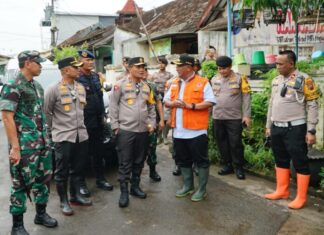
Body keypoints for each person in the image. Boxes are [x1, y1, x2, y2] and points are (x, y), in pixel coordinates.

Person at [0, 50, 58, 235]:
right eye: (38, 62)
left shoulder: (37, 86)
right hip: (24, 146)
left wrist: (47, 139)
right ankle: (17, 226)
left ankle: (40, 214)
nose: (41, 66)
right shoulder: (12, 85)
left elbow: (40, 115)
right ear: (27, 63)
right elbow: (7, 117)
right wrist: (15, 148)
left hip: (42, 143)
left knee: (44, 179)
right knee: (21, 183)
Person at [264, 50, 319, 209]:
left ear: (291, 64)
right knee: (280, 159)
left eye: (280, 64)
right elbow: (271, 104)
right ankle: (282, 191)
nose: (277, 66)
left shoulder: (304, 80)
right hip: (277, 127)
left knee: (300, 162)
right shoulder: (276, 80)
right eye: (276, 63)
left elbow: (313, 104)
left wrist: (311, 130)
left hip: (295, 128)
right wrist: (269, 126)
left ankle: (301, 198)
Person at [164, 54, 216, 202]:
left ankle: (202, 189)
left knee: (201, 161)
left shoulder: (203, 82)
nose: (177, 68)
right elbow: (166, 100)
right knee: (183, 160)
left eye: (179, 66)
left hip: (196, 131)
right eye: (176, 66)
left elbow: (210, 102)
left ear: (188, 67)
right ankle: (188, 186)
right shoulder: (175, 82)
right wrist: (173, 103)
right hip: (179, 131)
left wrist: (190, 106)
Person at [45, 57, 92, 216]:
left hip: (81, 135)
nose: (79, 69)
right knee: (62, 171)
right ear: (66, 70)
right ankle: (63, 201)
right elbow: (47, 112)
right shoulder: (53, 89)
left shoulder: (80, 87)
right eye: (75, 67)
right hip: (63, 137)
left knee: (78, 169)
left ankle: (75, 196)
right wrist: (55, 130)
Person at [109, 57, 156, 208]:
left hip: (143, 130)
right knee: (125, 162)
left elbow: (151, 107)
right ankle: (124, 192)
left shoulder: (146, 86)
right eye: (138, 66)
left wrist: (152, 123)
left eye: (143, 66)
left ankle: (135, 187)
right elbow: (113, 106)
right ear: (129, 68)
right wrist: (116, 126)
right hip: (126, 130)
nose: (142, 69)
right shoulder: (119, 85)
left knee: (139, 160)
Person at [77, 50, 113, 195]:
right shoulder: (76, 78)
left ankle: (100, 179)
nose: (91, 62)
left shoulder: (95, 76)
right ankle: (81, 184)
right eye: (87, 60)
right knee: (82, 155)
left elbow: (101, 94)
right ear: (80, 62)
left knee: (99, 153)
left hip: (98, 121)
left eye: (92, 60)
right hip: (83, 123)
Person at [211, 56, 251, 180]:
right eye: (220, 69)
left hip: (234, 117)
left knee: (235, 143)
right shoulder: (214, 79)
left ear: (230, 67)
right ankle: (227, 165)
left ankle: (238, 167)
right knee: (221, 142)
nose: (222, 71)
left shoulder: (240, 78)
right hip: (218, 116)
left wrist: (246, 115)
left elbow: (246, 97)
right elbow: (210, 98)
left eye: (224, 68)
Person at [143, 65, 164, 182]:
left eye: (145, 70)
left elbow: (159, 103)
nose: (142, 72)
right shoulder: (129, 85)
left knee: (152, 148)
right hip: (135, 124)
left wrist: (161, 119)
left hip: (151, 122)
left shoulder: (152, 86)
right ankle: (134, 176)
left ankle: (152, 171)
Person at [152, 57, 174, 144]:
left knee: (166, 118)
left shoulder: (170, 75)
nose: (161, 65)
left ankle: (165, 136)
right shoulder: (154, 75)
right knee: (157, 118)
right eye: (159, 63)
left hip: (166, 98)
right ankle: (159, 136)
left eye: (163, 63)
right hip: (156, 98)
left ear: (166, 64)